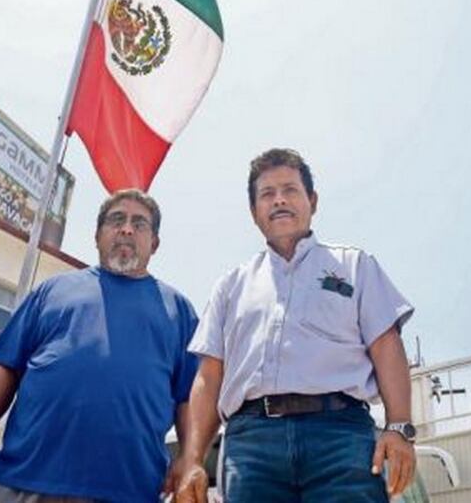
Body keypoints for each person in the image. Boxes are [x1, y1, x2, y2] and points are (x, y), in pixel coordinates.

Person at [174, 148, 416, 503]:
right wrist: (192, 459)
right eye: (267, 194)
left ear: (312, 201)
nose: (279, 200)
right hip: (251, 448)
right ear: (254, 212)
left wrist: (399, 427)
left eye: (290, 190)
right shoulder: (230, 286)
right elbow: (209, 376)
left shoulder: (356, 266)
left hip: (341, 438)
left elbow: (386, 346)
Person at [0, 189, 199, 503]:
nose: (126, 229)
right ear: (97, 236)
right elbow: (4, 367)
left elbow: (190, 398)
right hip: (22, 482)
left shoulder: (180, 311)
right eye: (116, 220)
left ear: (155, 243)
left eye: (139, 224)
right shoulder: (52, 291)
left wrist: (190, 458)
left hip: (129, 491)